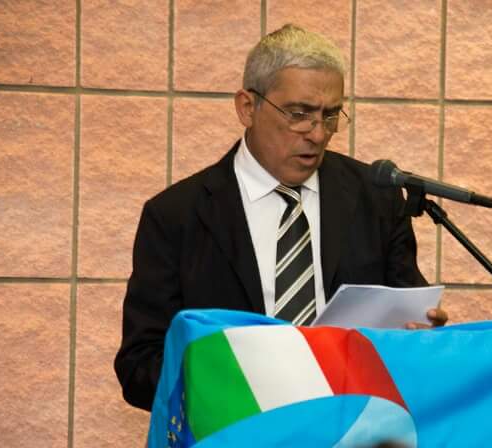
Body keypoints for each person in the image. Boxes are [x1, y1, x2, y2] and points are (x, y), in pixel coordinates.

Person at [115, 24, 448, 411]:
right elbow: (139, 366)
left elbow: (408, 321)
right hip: (238, 428)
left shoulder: (377, 197)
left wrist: (421, 338)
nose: (317, 134)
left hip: (353, 425)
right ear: (247, 107)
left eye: (330, 115)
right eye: (299, 114)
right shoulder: (176, 216)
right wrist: (238, 380)